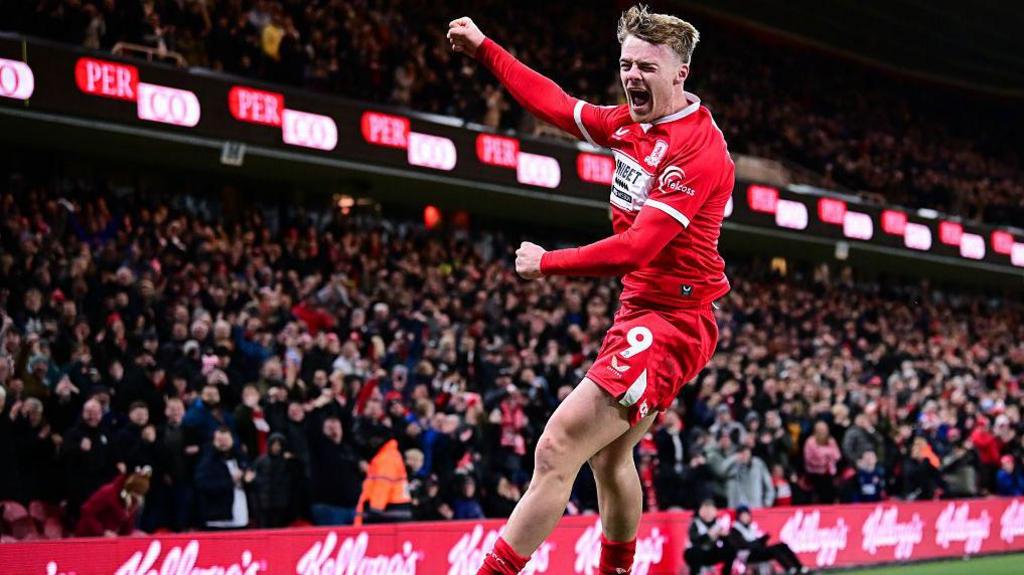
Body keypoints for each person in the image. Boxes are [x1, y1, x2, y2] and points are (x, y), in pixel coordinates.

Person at [449, 5, 733, 573]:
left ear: (681, 74)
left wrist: (547, 262)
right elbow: (553, 101)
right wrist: (486, 48)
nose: (632, 77)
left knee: (557, 448)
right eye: (626, 64)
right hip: (642, 309)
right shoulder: (629, 124)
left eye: (647, 67)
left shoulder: (696, 151)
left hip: (673, 322)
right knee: (610, 458)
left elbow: (635, 250)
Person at [195, 426, 254, 529]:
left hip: (241, 515)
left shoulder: (240, 457)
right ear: (214, 441)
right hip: (217, 518)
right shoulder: (207, 461)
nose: (223, 443)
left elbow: (251, 475)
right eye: (219, 440)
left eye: (226, 440)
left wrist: (248, 478)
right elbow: (202, 484)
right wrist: (230, 481)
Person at [727, 504, 808, 575]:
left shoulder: (750, 527)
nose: (746, 517)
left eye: (747, 515)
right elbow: (745, 545)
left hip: (756, 551)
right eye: (743, 516)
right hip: (748, 555)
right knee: (773, 550)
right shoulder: (735, 530)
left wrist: (763, 539)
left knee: (782, 545)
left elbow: (756, 543)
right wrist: (759, 542)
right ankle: (789, 568)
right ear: (738, 517)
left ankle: (799, 566)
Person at [75, 469, 151, 537]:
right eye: (137, 493)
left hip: (108, 541)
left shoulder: (133, 502)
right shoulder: (108, 492)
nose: (138, 498)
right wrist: (102, 532)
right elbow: (87, 511)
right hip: (88, 537)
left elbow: (126, 526)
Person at [684, 499, 735, 575]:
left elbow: (725, 542)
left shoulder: (718, 523)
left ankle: (726, 572)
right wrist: (708, 535)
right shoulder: (695, 522)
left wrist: (724, 536)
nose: (708, 513)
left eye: (710, 510)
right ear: (701, 511)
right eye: (706, 510)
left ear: (715, 512)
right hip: (695, 553)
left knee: (731, 549)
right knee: (695, 551)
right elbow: (693, 539)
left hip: (711, 553)